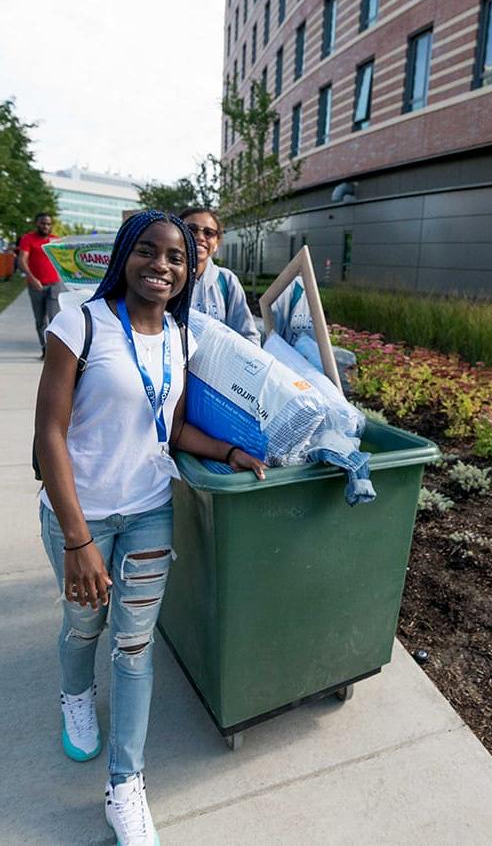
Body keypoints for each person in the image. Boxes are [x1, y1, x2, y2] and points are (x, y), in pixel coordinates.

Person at [34, 210, 266, 846]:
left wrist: (226, 452)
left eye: (177, 257)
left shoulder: (181, 338)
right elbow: (48, 434)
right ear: (123, 255)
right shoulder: (79, 322)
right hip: (77, 514)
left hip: (149, 510)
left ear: (191, 270)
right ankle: (75, 696)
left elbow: (174, 426)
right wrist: (79, 541)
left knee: (134, 645)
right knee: (85, 622)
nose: (161, 265)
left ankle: (125, 785)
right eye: (148, 251)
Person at [179, 206, 260, 344]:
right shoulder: (167, 279)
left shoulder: (227, 281)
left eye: (209, 233)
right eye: (191, 229)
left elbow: (248, 336)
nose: (200, 237)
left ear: (216, 243)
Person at [18, 212, 60, 358]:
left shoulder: (56, 241)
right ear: (37, 223)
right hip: (36, 286)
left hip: (55, 284)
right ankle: (45, 348)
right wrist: (32, 278)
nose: (45, 226)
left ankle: (54, 351)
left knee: (55, 318)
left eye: (48, 224)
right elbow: (22, 260)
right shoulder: (28, 238)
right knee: (40, 319)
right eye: (43, 223)